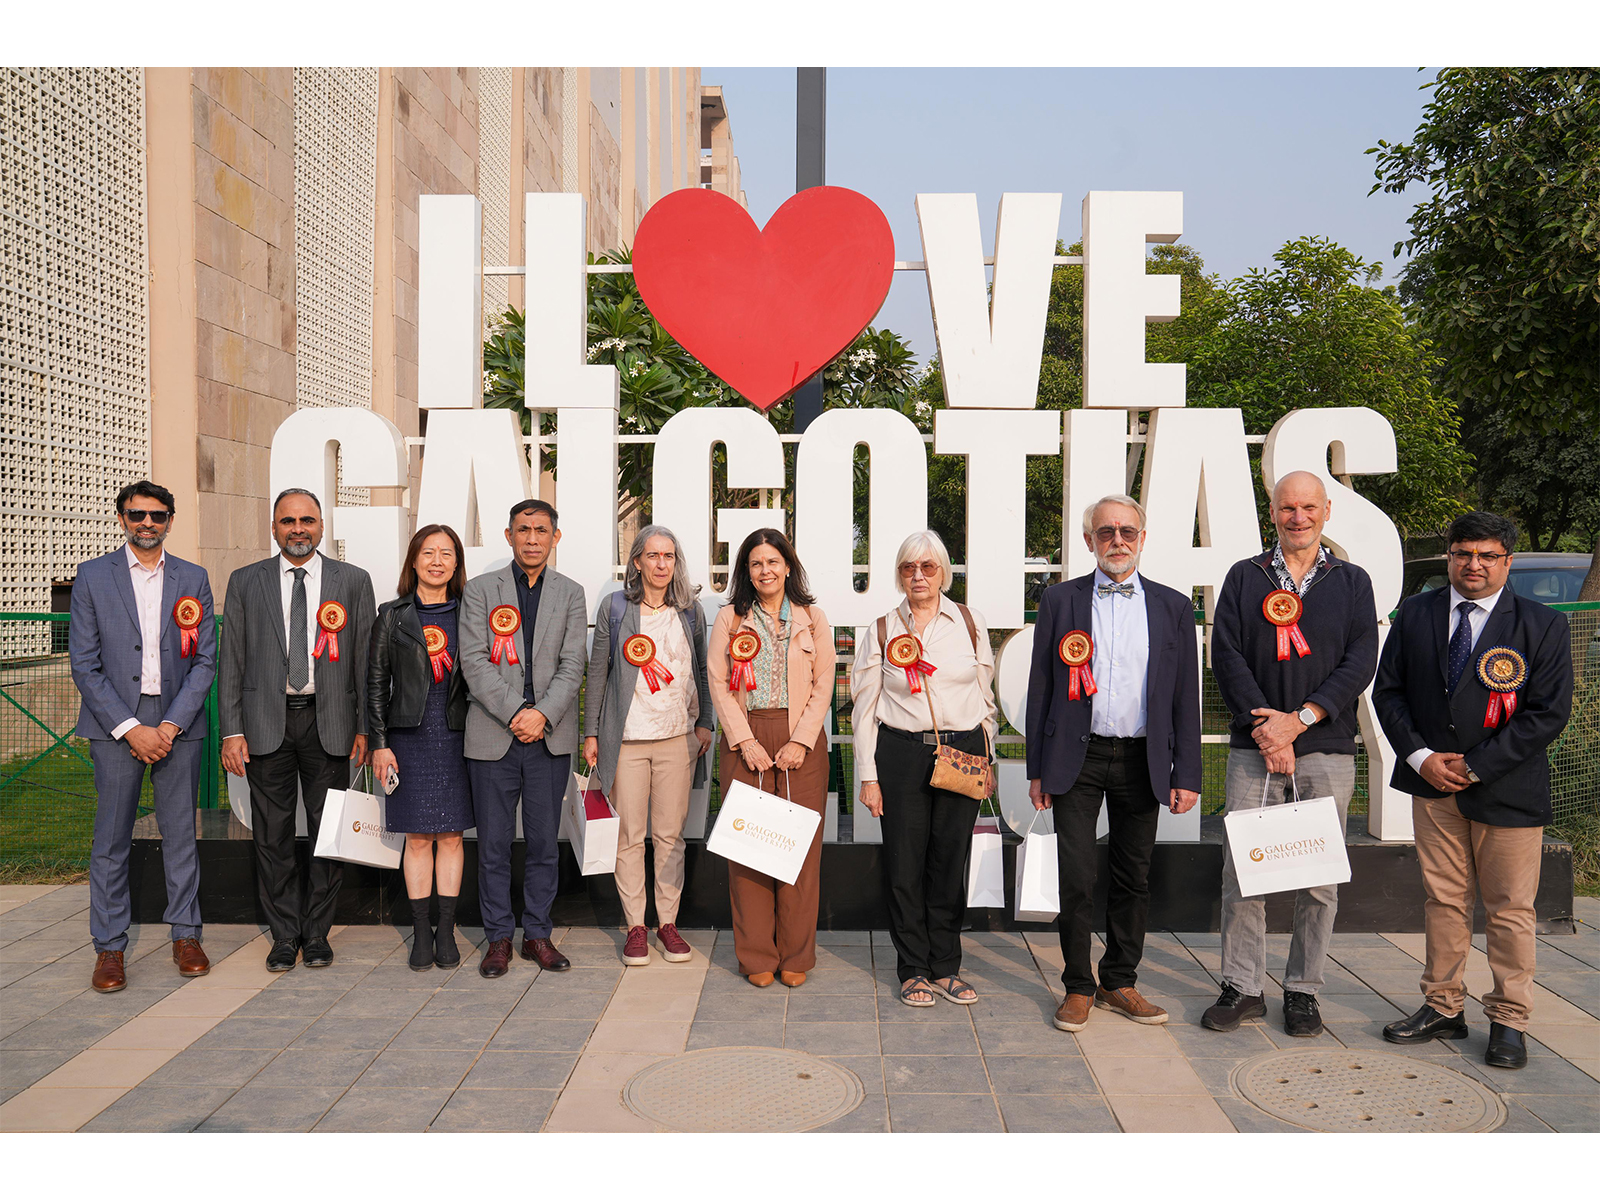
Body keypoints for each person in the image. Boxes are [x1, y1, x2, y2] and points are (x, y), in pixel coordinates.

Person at [1374, 511, 1572, 1069]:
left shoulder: (1542, 625)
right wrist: (1421, 756)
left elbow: (1548, 713)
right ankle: (1442, 1006)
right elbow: (1388, 694)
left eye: (1487, 555)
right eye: (1463, 553)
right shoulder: (1415, 614)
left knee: (1510, 909)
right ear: (1450, 556)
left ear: (1507, 561)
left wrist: (1478, 766)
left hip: (1508, 789)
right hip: (1431, 784)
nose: (1474, 565)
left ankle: (1509, 1020)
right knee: (1443, 901)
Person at [1203, 472, 1379, 1037]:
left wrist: (1299, 722)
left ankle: (1302, 991)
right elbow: (1226, 654)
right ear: (1272, 512)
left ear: (1327, 511)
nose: (1297, 517)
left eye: (1307, 507)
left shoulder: (1352, 581)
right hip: (1254, 747)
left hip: (1325, 746)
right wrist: (1267, 729)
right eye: (1286, 508)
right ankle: (1243, 986)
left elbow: (1360, 661)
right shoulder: (1244, 577)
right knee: (1243, 872)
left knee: (1318, 878)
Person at [1027, 495, 1201, 1033]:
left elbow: (1184, 697)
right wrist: (1036, 767)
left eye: (1127, 531)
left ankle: (1118, 981)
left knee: (1134, 877)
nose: (1117, 540)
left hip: (1142, 759)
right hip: (1076, 757)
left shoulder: (1173, 607)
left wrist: (1187, 772)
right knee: (1076, 878)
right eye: (1106, 532)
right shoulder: (1060, 601)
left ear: (1142, 538)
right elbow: (1042, 688)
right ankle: (1078, 986)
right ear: (1089, 542)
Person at [220, 488, 375, 972]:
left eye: (307, 520)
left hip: (330, 724)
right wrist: (231, 730)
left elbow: (366, 661)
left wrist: (366, 728)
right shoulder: (246, 581)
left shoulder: (352, 580)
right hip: (266, 725)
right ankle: (285, 935)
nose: (298, 529)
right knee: (272, 836)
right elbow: (233, 660)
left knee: (328, 833)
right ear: (274, 528)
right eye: (288, 521)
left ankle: (318, 933)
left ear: (322, 526)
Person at [69, 481, 216, 992]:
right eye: (137, 514)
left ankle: (186, 934)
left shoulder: (193, 577)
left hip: (179, 722)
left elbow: (205, 660)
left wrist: (170, 725)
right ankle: (110, 948)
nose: (147, 523)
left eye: (157, 514)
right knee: (111, 839)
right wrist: (132, 729)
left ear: (170, 520)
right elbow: (85, 665)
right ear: (122, 518)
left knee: (180, 834)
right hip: (116, 726)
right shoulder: (92, 577)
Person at [852, 530, 997, 1008]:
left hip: (962, 752)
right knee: (905, 863)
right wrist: (869, 777)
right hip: (901, 753)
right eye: (908, 568)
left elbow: (985, 698)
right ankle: (913, 968)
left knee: (948, 860)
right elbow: (863, 709)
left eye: (928, 567)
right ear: (899, 576)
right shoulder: (881, 629)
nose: (918, 576)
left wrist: (987, 755)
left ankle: (946, 966)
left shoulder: (970, 623)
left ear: (943, 572)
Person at [460, 500, 589, 978]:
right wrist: (517, 712)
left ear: (556, 536)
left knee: (542, 844)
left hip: (548, 741)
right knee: (492, 845)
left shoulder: (571, 594)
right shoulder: (479, 591)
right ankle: (498, 939)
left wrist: (542, 715)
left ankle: (536, 933)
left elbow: (573, 664)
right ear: (508, 535)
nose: (532, 538)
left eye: (541, 530)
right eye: (522, 530)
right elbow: (473, 662)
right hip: (494, 736)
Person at [707, 529, 833, 988]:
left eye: (773, 562)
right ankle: (756, 954)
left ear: (787, 566)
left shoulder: (813, 619)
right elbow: (718, 683)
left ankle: (797, 955)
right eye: (756, 563)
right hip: (748, 738)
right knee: (750, 848)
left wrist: (800, 739)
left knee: (799, 849)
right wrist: (744, 739)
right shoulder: (730, 619)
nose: (765, 571)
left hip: (801, 741)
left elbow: (824, 684)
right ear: (746, 570)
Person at [584, 525, 714, 968]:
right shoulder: (615, 608)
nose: (661, 564)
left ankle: (669, 924)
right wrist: (592, 735)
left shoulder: (689, 611)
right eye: (653, 555)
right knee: (629, 836)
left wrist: (705, 723)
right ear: (636, 561)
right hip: (628, 742)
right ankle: (636, 927)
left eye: (669, 556)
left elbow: (702, 667)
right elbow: (597, 674)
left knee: (669, 837)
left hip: (677, 740)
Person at [368, 524, 473, 971]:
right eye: (427, 552)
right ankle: (420, 933)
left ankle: (446, 931)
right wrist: (379, 743)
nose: (436, 561)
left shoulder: (473, 612)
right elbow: (375, 683)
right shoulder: (392, 615)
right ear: (413, 561)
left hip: (458, 737)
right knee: (416, 838)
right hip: (408, 739)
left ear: (456, 562)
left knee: (450, 836)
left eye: (445, 553)